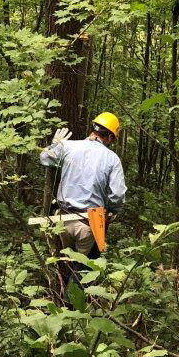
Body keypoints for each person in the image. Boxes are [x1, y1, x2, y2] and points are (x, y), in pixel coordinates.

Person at [40, 111, 126, 294]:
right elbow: (118, 196)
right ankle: (73, 308)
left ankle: (60, 298)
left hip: (62, 218)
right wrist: (112, 210)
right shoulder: (112, 159)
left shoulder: (69, 146)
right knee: (85, 269)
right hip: (90, 222)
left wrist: (55, 145)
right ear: (110, 136)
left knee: (67, 261)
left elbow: (44, 159)